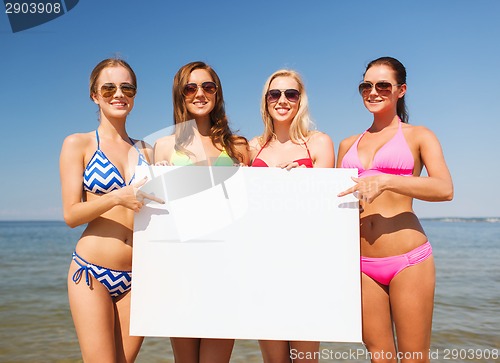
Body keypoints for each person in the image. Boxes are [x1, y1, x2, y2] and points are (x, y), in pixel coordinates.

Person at [337, 57, 453, 363]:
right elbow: (333, 203)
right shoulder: (347, 143)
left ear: (400, 90)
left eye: (382, 85)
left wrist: (387, 181)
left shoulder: (419, 136)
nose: (373, 92)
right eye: (366, 86)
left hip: (408, 261)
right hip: (361, 265)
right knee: (380, 357)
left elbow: (444, 188)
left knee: (414, 358)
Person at [60, 58, 163, 363]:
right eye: (109, 88)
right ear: (95, 95)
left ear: (134, 94)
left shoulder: (147, 149)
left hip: (138, 277)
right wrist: (116, 197)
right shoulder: (77, 144)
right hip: (91, 272)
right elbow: (71, 215)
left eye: (127, 87)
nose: (119, 94)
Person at [154, 61, 249, 363]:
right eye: (190, 87)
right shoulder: (164, 147)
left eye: (208, 86)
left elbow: (253, 208)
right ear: (180, 95)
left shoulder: (237, 147)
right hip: (180, 269)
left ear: (217, 93)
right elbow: (158, 214)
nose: (200, 93)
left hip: (226, 268)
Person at [249, 69, 335, 363]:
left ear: (301, 100)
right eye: (275, 94)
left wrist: (306, 183)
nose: (282, 100)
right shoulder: (250, 147)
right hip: (262, 263)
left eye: (291, 94)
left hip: (306, 262)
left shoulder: (319, 142)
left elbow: (326, 206)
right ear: (266, 101)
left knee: (305, 359)